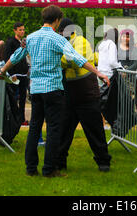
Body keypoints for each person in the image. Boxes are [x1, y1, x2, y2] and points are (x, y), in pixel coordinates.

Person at [0, 5, 110, 178]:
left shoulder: (31, 38)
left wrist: (2, 71)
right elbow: (77, 59)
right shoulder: (58, 39)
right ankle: (49, 169)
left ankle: (31, 168)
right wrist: (98, 73)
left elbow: (16, 56)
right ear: (57, 20)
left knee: (34, 128)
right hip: (53, 89)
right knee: (54, 129)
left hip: (35, 90)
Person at [56, 18, 112, 172]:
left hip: (86, 93)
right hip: (70, 93)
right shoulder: (66, 42)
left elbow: (72, 60)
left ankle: (103, 162)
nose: (60, 34)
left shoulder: (80, 41)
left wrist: (57, 58)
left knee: (94, 130)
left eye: (61, 31)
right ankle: (60, 162)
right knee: (63, 131)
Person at [4, 22, 30, 126]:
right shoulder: (11, 42)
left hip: (23, 74)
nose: (22, 32)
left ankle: (21, 118)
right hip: (15, 75)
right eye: (20, 30)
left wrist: (27, 68)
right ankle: (14, 119)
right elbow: (7, 58)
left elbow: (24, 57)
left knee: (23, 98)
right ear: (15, 30)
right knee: (14, 98)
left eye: (23, 30)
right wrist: (11, 73)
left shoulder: (23, 42)